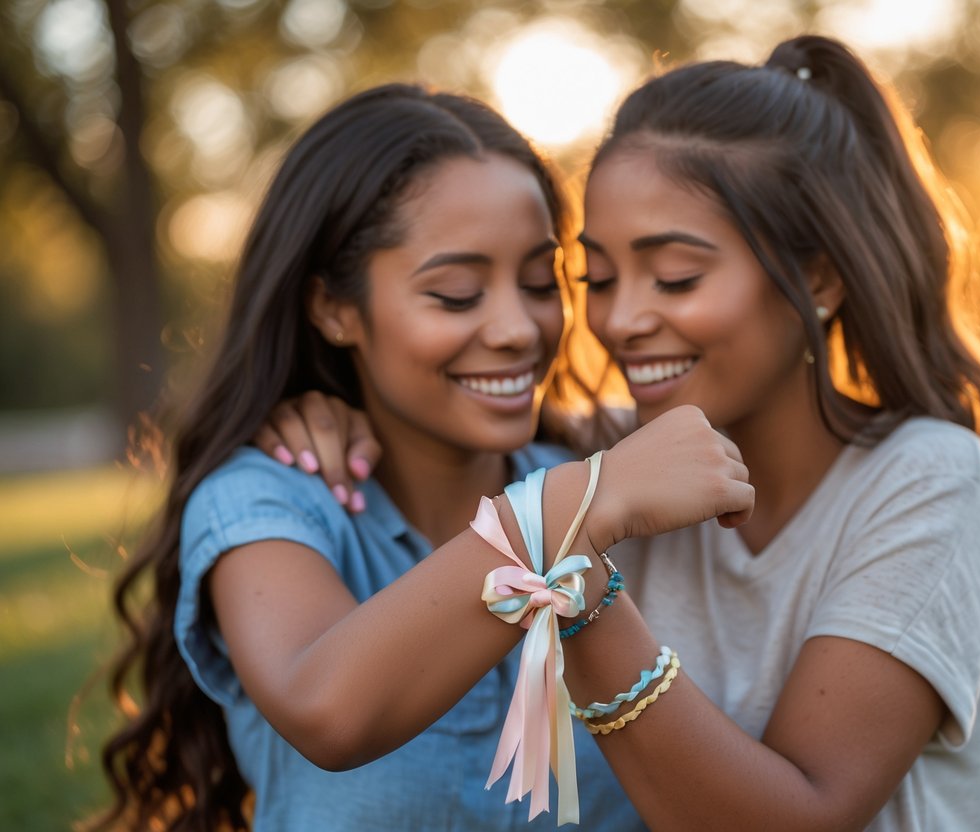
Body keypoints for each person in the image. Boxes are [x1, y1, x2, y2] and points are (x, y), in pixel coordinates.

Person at [264, 35, 980, 830]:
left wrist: (581, 586)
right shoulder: (604, 463)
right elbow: (456, 448)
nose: (622, 320)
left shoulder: (929, 481)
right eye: (597, 276)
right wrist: (334, 405)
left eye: (675, 276)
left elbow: (804, 816)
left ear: (816, 276)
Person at [88, 83, 753, 832]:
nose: (517, 329)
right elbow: (327, 707)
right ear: (334, 309)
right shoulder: (271, 502)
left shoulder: (599, 468)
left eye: (540, 283)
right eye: (457, 294)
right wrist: (572, 509)